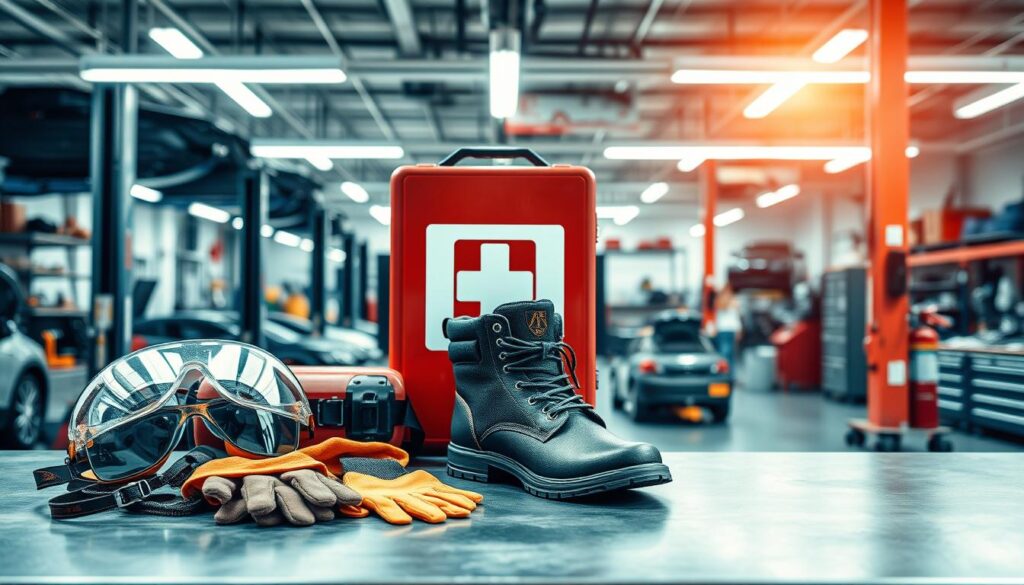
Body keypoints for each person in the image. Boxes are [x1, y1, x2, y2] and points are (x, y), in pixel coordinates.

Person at [714, 284, 741, 368]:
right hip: (730, 330)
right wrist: (739, 330)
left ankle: (723, 374)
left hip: (722, 330)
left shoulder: (718, 301)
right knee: (730, 354)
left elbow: (717, 318)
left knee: (723, 353)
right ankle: (730, 375)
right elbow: (736, 318)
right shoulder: (734, 301)